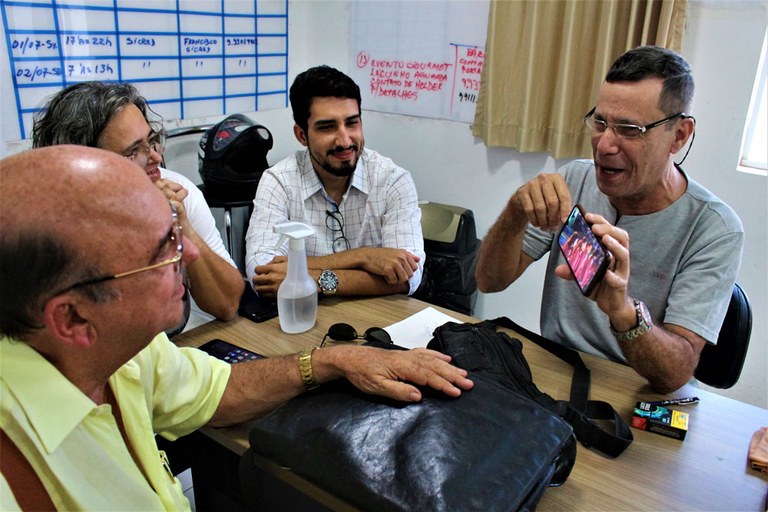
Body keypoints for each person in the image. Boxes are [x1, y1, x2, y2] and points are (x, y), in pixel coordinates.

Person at [0, 146, 473, 510]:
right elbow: (265, 273)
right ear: (74, 318)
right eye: (163, 249)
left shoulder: (125, 350)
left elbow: (218, 391)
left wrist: (332, 359)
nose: (192, 255)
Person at [475, 46, 743, 394]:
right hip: (556, 373)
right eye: (600, 122)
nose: (604, 145)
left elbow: (674, 374)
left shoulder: (714, 229)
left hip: (636, 394)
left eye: (630, 129)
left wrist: (622, 310)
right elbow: (488, 281)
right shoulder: (575, 180)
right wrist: (514, 213)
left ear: (679, 135)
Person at [31, 81, 244, 329]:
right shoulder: (51, 226)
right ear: (84, 165)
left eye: (152, 141)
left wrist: (181, 223)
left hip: (181, 344)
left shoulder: (176, 189)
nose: (156, 156)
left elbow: (227, 304)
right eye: (133, 151)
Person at [245, 65, 425, 298]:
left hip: (378, 320)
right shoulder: (278, 181)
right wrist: (364, 257)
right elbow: (262, 275)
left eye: (352, 123)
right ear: (302, 135)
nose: (344, 140)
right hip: (304, 320)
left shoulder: (393, 180)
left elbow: (410, 277)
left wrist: (314, 279)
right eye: (328, 127)